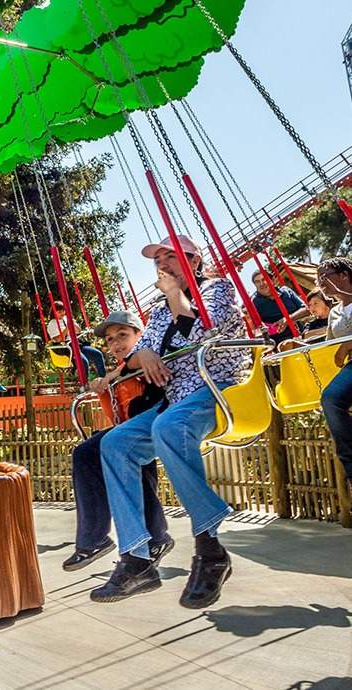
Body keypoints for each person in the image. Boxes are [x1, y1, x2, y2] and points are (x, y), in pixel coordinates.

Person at [94, 235, 248, 608]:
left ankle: (210, 549)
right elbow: (140, 349)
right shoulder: (160, 309)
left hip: (219, 386)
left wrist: (177, 293)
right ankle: (137, 558)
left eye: (171, 257)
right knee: (114, 444)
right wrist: (142, 354)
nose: (163, 264)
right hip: (177, 398)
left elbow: (200, 330)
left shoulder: (219, 290)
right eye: (158, 259)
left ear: (194, 262)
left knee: (168, 428)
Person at [63, 311, 172, 571]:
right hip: (133, 428)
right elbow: (118, 409)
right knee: (93, 455)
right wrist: (104, 384)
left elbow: (144, 359)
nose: (116, 344)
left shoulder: (148, 355)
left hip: (160, 421)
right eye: (110, 340)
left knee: (95, 453)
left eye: (122, 335)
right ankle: (153, 536)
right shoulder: (121, 371)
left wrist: (114, 375)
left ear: (139, 334)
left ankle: (100, 539)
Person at [316, 257, 352, 485]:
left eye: (325, 276)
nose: (320, 283)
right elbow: (328, 346)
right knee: (330, 398)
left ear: (344, 275)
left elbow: (343, 346)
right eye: (318, 280)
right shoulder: (335, 313)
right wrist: (297, 345)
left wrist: (348, 345)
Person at [46, 301, 107, 378]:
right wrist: (68, 327)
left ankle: (104, 378)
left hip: (77, 344)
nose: (62, 313)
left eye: (63, 311)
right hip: (67, 348)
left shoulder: (65, 318)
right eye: (59, 312)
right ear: (54, 312)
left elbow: (78, 330)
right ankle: (85, 384)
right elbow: (59, 339)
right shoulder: (52, 324)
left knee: (97, 354)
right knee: (84, 362)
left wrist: (73, 323)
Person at [250, 269, 308, 345]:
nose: (261, 284)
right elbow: (255, 328)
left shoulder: (286, 292)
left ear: (273, 280)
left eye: (264, 279)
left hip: (302, 335)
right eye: (257, 282)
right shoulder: (254, 302)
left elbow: (307, 309)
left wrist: (288, 319)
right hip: (278, 344)